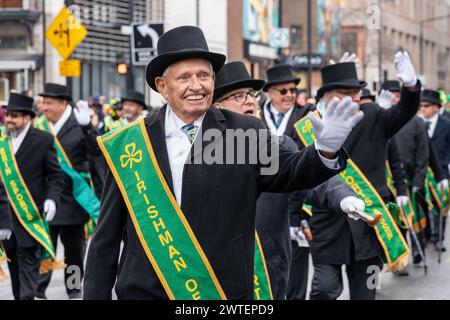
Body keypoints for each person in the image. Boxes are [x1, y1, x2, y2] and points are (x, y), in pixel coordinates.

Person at [83, 26, 363, 300]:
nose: (196, 86)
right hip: (146, 291)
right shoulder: (130, 144)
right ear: (162, 86)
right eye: (184, 78)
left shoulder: (244, 132)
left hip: (221, 291)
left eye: (204, 75)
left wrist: (325, 151)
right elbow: (105, 241)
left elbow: (292, 171)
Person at [305, 51, 421, 300]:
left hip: (368, 221)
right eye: (349, 93)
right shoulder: (310, 124)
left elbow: (404, 112)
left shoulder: (373, 116)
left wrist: (411, 87)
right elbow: (299, 173)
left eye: (357, 93)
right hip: (328, 224)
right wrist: (297, 218)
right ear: (329, 95)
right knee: (325, 288)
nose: (357, 98)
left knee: (365, 293)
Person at [36, 83, 100, 299]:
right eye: (43, 102)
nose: (44, 107)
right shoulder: (39, 125)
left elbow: (97, 151)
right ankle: (39, 289)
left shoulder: (78, 124)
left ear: (63, 104)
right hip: (47, 198)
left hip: (74, 200)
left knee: (74, 253)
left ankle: (73, 289)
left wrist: (87, 128)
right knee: (44, 246)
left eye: (48, 103)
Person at [0, 93, 64, 300]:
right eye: (8, 115)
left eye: (15, 116)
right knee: (14, 268)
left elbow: (55, 175)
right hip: (4, 218)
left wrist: (51, 199)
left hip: (29, 217)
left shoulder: (43, 140)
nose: (9, 119)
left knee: (27, 265)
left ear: (28, 118)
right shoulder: (1, 140)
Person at [418, 89, 450, 252]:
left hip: (441, 173)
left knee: (440, 205)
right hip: (422, 173)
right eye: (421, 106)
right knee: (423, 206)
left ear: (437, 107)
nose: (423, 109)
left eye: (427, 105)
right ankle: (427, 235)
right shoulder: (417, 124)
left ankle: (439, 238)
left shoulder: (446, 124)